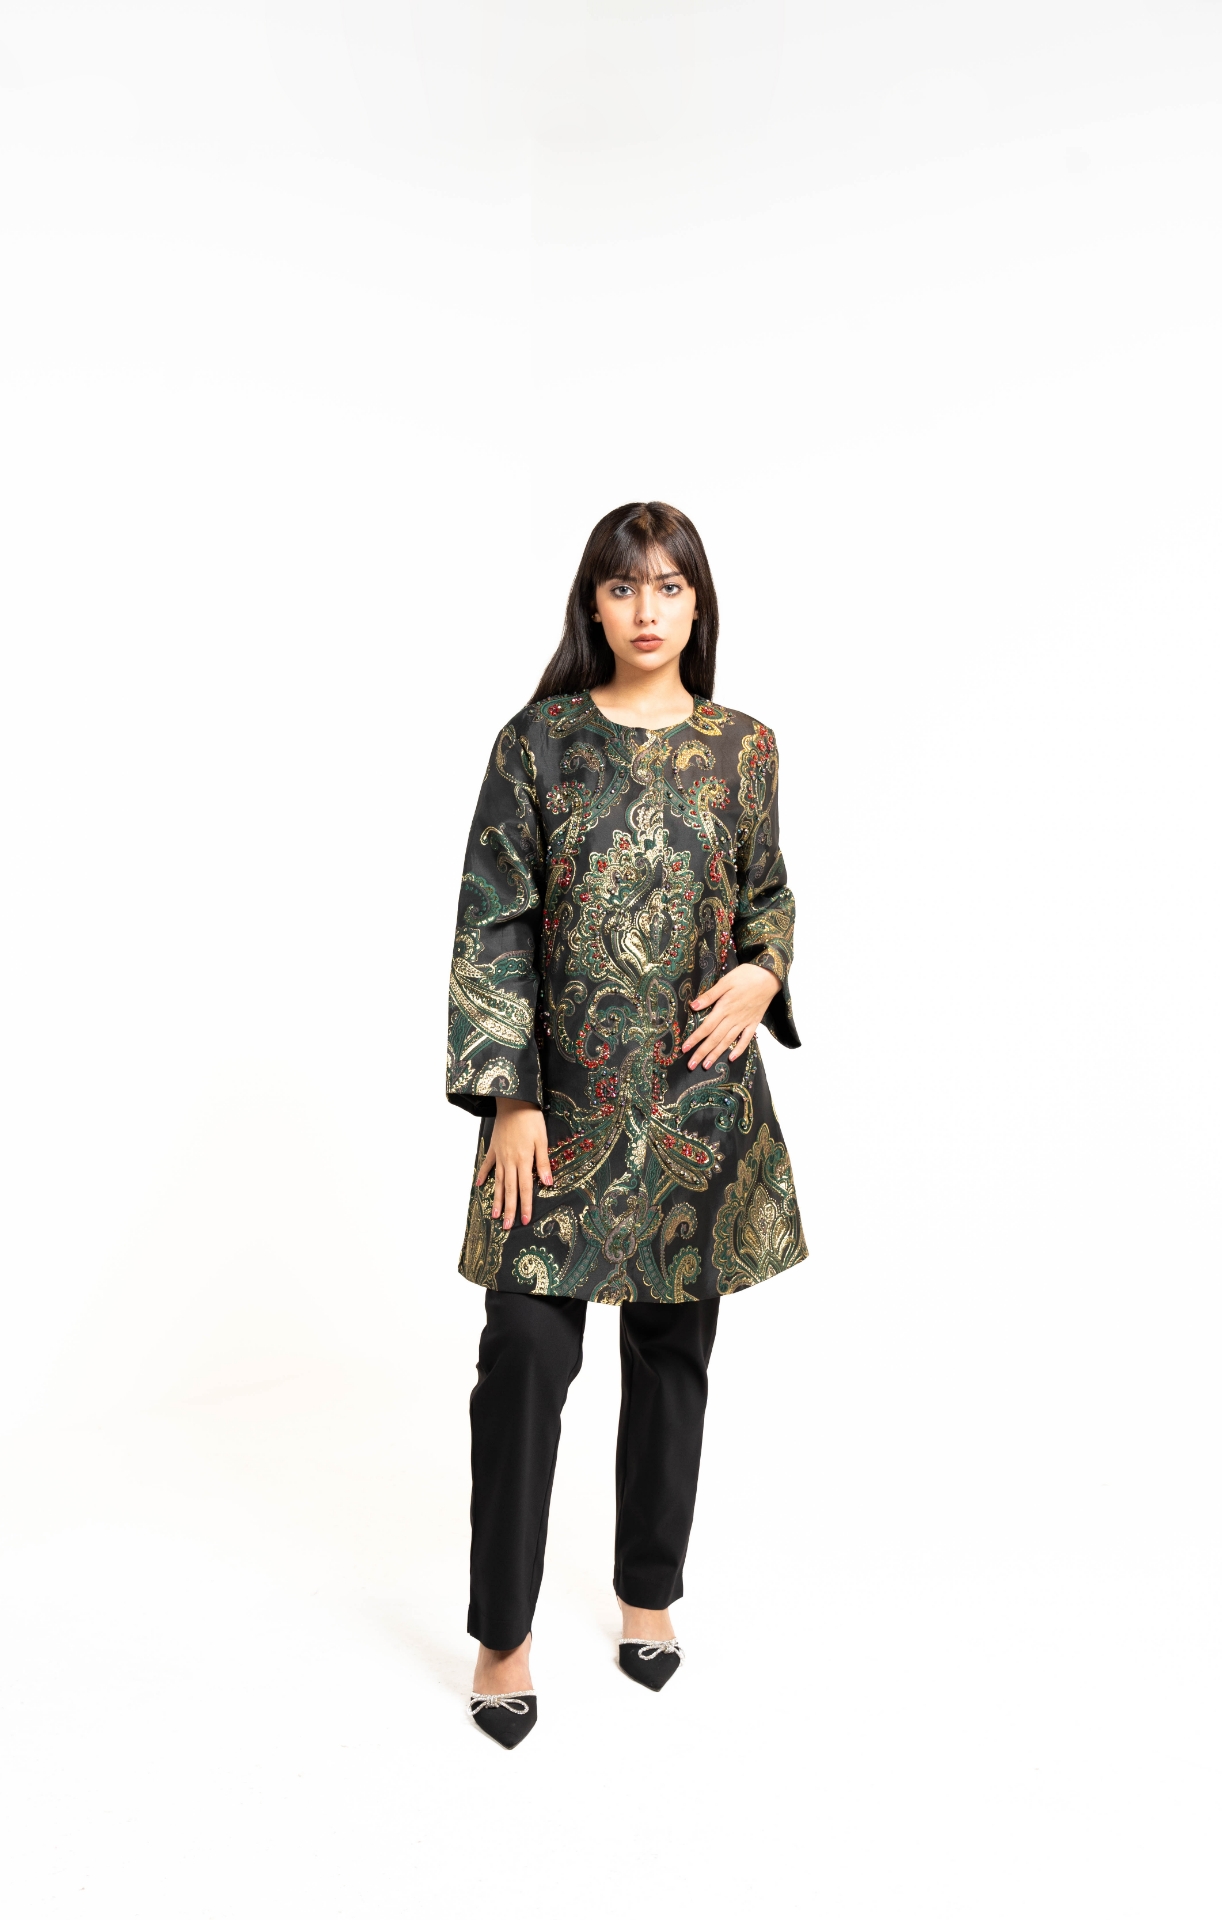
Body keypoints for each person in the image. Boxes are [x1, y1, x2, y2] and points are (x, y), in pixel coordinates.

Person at [447, 501, 807, 1747]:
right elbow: (492, 917)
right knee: (523, 1359)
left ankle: (646, 1593)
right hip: (555, 1109)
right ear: (591, 605)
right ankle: (502, 1631)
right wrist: (508, 1096)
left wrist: (764, 970)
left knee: (671, 1358)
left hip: (694, 1101)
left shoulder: (742, 748)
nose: (645, 609)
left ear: (696, 603)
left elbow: (766, 894)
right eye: (621, 587)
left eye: (667, 586)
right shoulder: (537, 743)